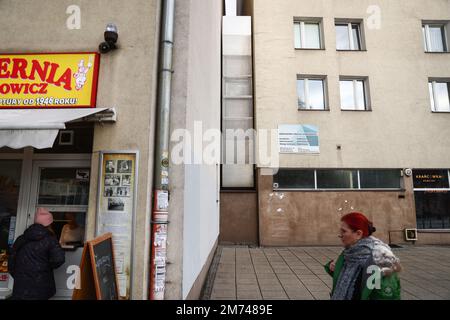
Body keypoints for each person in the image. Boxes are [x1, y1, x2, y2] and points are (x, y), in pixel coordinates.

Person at [324, 212, 402, 300]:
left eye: (344, 231)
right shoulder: (350, 253)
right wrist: (337, 268)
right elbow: (350, 280)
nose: (340, 235)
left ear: (358, 234)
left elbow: (385, 296)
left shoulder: (378, 261)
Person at [8, 208, 65, 300]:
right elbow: (59, 259)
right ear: (49, 224)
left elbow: (11, 263)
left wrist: (20, 277)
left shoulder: (21, 239)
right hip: (41, 288)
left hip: (21, 288)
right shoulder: (50, 240)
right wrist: (46, 268)